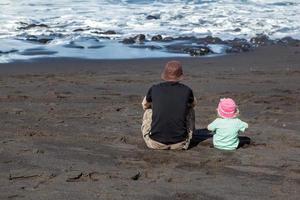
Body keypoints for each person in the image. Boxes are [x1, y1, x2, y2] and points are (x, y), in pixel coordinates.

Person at [141, 61, 196, 150]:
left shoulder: (154, 88)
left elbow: (144, 105)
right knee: (190, 109)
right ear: (180, 76)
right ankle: (188, 134)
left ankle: (156, 131)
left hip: (155, 143)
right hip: (180, 143)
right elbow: (193, 104)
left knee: (149, 110)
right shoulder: (187, 90)